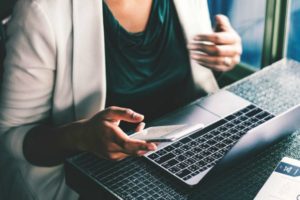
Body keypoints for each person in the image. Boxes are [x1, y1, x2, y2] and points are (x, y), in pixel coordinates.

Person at [0, 0, 242, 199]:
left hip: (189, 158)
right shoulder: (41, 11)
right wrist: (80, 137)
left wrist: (221, 59)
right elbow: (11, 135)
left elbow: (185, 75)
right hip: (100, 182)